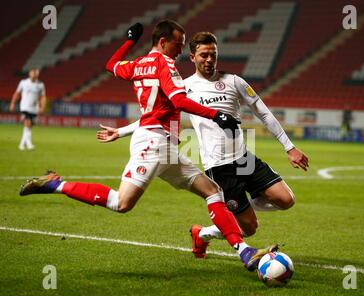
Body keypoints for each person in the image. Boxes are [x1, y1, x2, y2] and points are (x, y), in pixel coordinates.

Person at [19, 20, 275, 272]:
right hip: (154, 142)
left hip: (164, 144)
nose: (180, 51)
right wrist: (215, 114)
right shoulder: (166, 64)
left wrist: (129, 40)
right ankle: (56, 184)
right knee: (121, 203)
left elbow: (111, 66)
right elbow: (178, 101)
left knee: (212, 191)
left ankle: (244, 251)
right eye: (178, 45)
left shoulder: (139, 64)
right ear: (163, 42)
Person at [183, 32, 309, 258]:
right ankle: (202, 234)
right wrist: (122, 131)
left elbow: (264, 113)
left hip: (243, 159)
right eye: (204, 55)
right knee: (250, 228)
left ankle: (237, 209)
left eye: (213, 54)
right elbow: (156, 115)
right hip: (219, 168)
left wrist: (289, 147)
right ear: (192, 57)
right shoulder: (184, 88)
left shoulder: (234, 81)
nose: (209, 59)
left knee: (286, 199)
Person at [9, 68, 46, 150]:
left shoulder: (40, 85)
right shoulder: (23, 82)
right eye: (32, 73)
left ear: (37, 74)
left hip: (34, 108)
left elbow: (43, 97)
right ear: (29, 74)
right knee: (28, 122)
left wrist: (42, 107)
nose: (34, 75)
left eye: (36, 73)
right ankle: (29, 144)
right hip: (25, 107)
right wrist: (12, 103)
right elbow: (17, 93)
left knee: (29, 126)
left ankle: (21, 144)